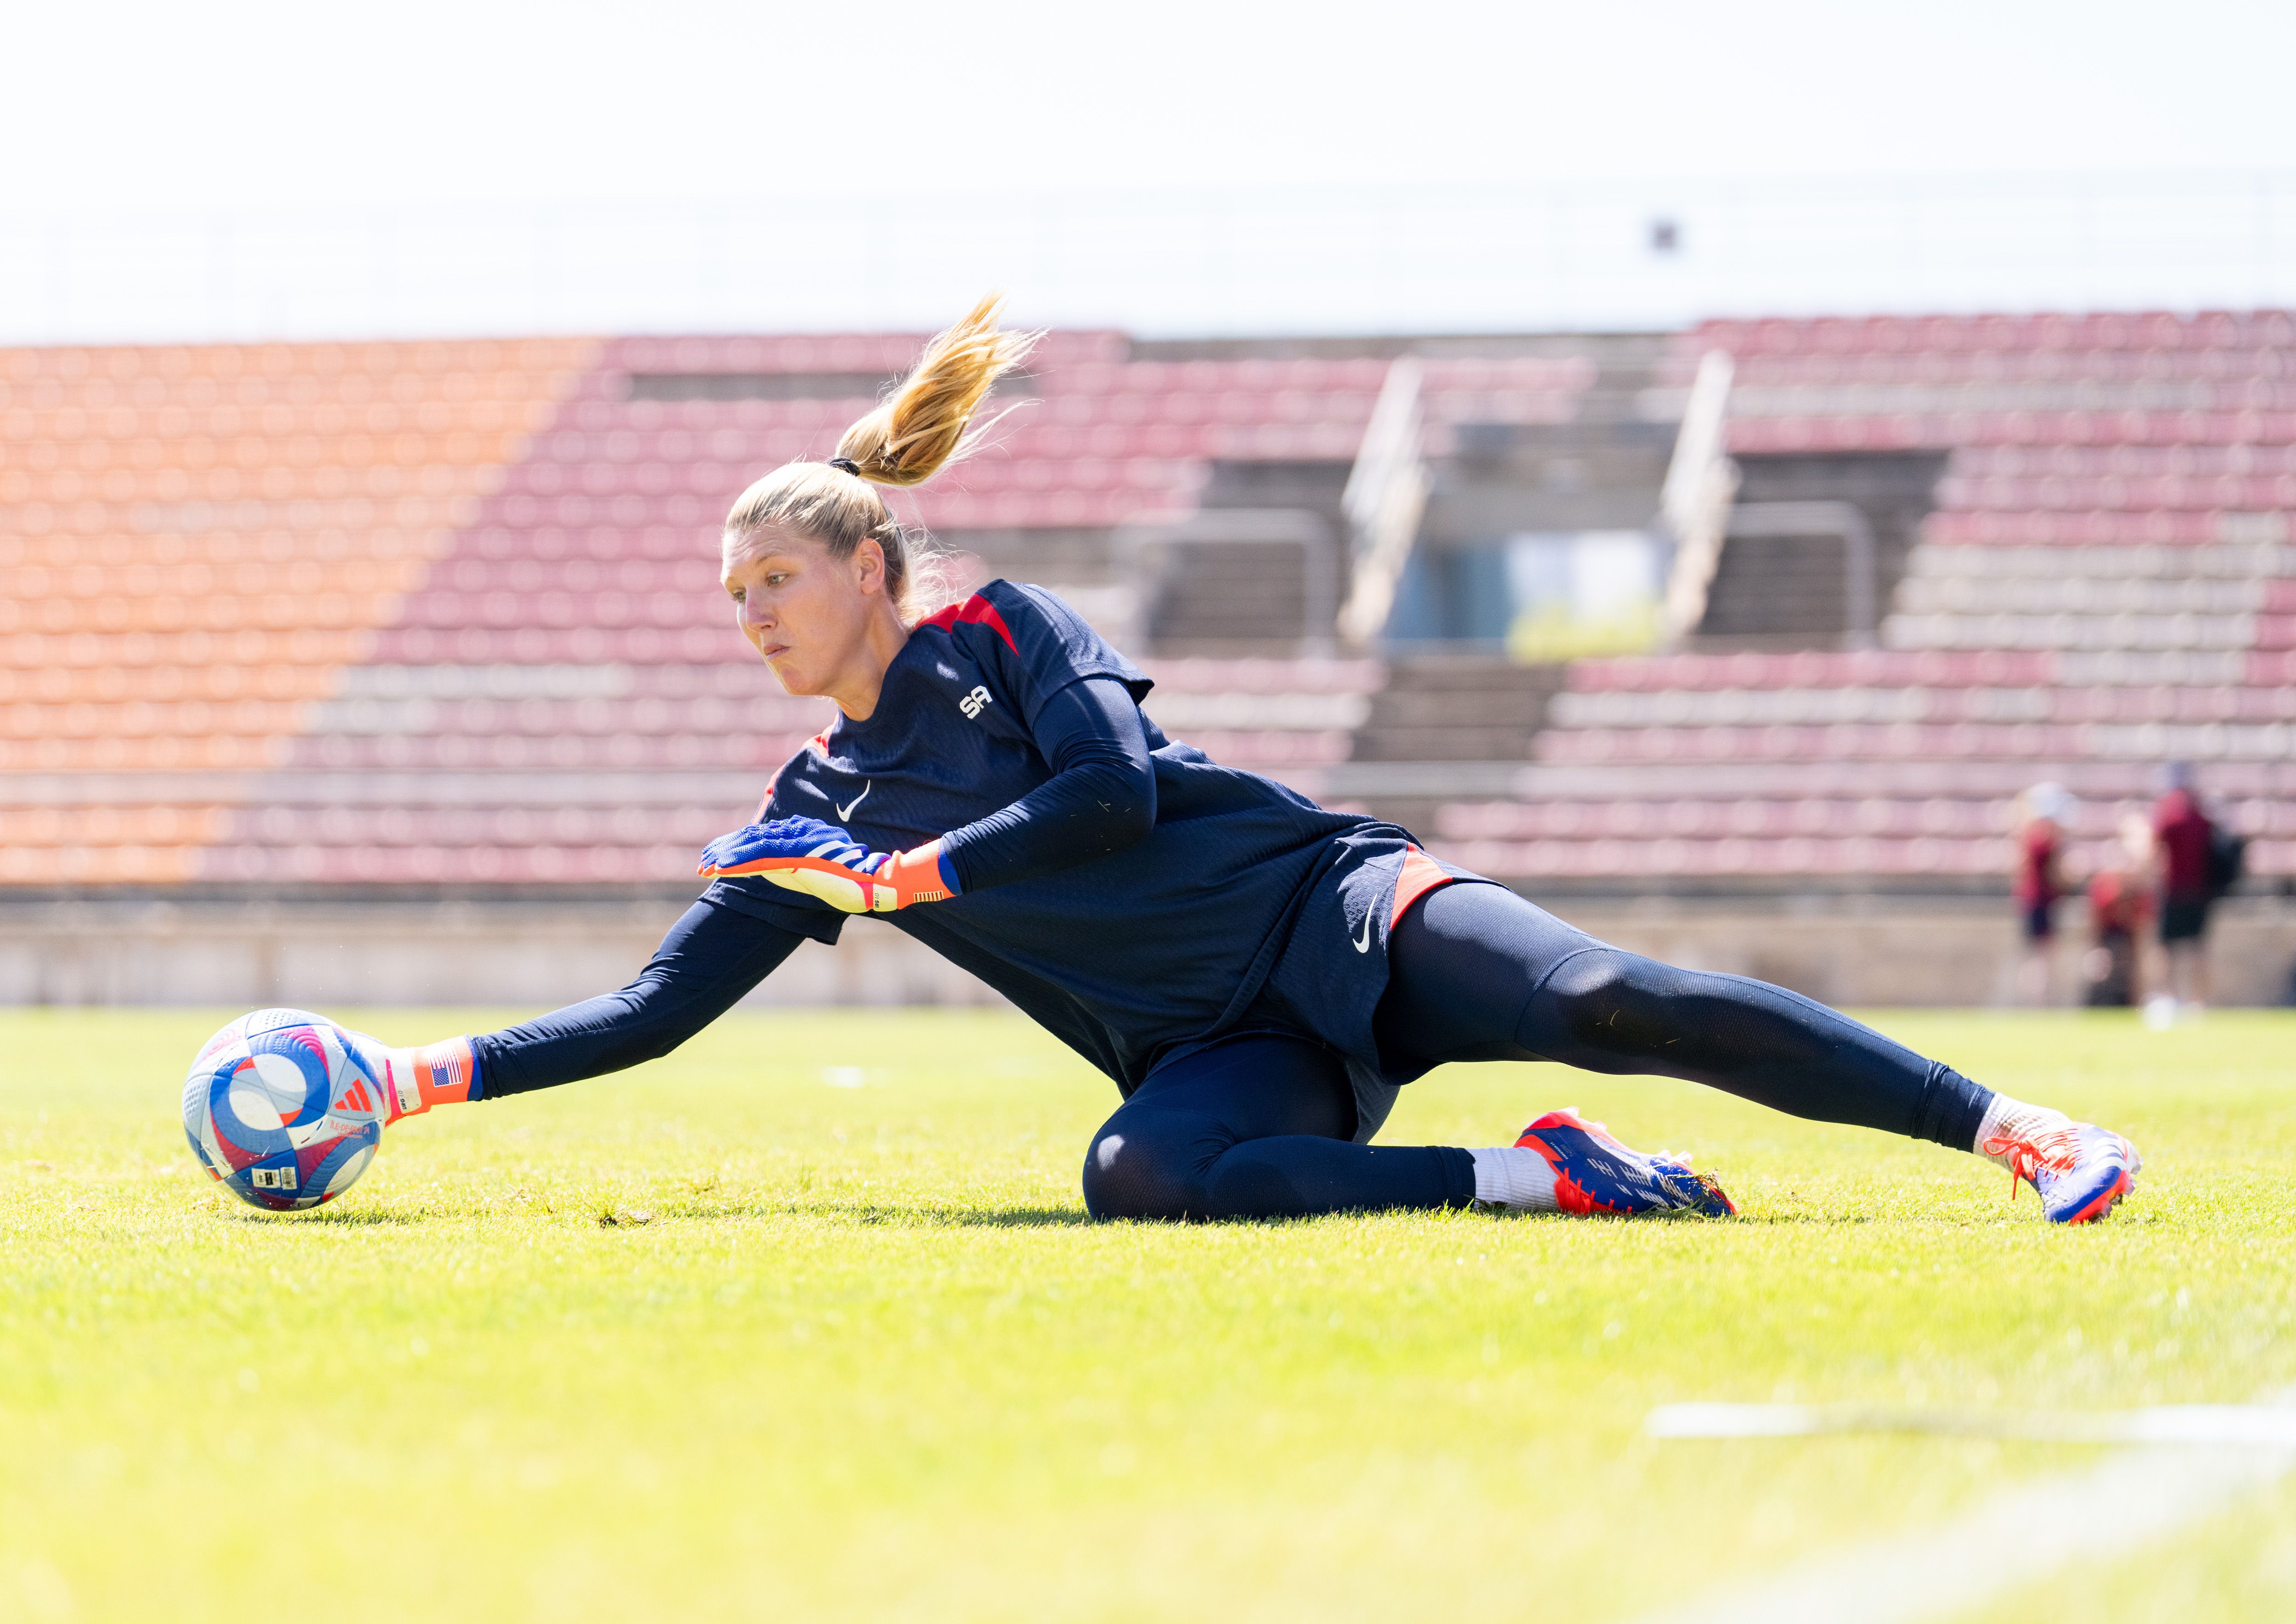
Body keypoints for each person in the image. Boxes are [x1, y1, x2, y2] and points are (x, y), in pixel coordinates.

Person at [349, 299, 2142, 1227]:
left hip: (1331, 907)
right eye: (729, 594)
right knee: (1141, 1186)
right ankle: (1549, 1181)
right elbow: (652, 1013)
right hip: (1228, 1046)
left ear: (872, 572)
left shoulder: (1005, 635)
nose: (749, 615)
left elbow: (1112, 798)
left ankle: (2008, 1127)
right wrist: (404, 1077)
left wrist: (920, 881)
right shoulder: (807, 818)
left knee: (1606, 992)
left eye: (775, 581)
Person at [2148, 762, 2214, 1027]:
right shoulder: (2201, 813)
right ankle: (2198, 1004)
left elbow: (2155, 850)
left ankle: (2168, 999)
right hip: (2199, 891)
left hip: (2174, 889)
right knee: (2197, 949)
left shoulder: (2169, 813)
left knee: (2166, 949)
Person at [2081, 812, 2155, 1009]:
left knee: (2134, 969)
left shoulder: (2139, 879)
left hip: (2129, 933)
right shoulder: (2110, 877)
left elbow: (2141, 918)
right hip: (2110, 933)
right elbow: (2100, 910)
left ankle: (2133, 1004)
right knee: (2105, 970)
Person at [2011, 782, 2074, 1006]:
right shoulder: (2047, 839)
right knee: (2044, 956)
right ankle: (2040, 1002)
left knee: (2036, 955)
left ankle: (2034, 1001)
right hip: (2043, 902)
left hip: (2031, 901)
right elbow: (2056, 874)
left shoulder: (2029, 835)